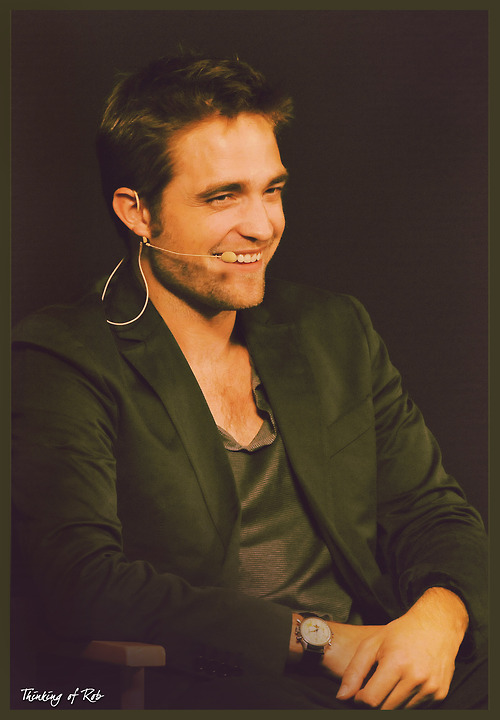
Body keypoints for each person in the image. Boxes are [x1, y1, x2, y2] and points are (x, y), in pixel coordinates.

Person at [11, 54, 488, 710]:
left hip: (386, 662)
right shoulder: (62, 356)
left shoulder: (334, 329)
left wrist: (440, 618)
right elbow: (84, 583)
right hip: (226, 682)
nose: (263, 226)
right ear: (137, 213)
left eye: (272, 190)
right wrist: (323, 641)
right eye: (223, 196)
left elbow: (431, 510)